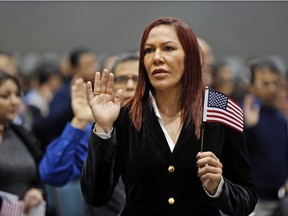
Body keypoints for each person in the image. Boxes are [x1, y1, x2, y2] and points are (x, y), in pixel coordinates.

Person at [80, 17, 257, 216]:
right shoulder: (126, 115)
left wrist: (218, 187)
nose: (157, 58)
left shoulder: (218, 107)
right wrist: (103, 129)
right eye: (148, 50)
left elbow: (246, 199)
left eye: (168, 48)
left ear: (190, 56)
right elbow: (95, 196)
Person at [39, 53, 140, 216]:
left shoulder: (162, 130)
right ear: (109, 86)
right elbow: (51, 173)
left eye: (137, 79)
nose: (129, 85)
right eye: (121, 79)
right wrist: (79, 121)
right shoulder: (96, 132)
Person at [243, 59, 288, 216]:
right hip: (255, 200)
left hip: (279, 198)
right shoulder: (245, 114)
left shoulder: (280, 119)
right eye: (265, 83)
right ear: (252, 85)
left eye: (275, 83)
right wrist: (248, 127)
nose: (271, 88)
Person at [32, 47, 97, 150]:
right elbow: (52, 124)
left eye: (94, 63)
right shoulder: (64, 91)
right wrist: (74, 104)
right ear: (74, 69)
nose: (93, 68)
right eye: (87, 65)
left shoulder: (98, 89)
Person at [0, 70, 45, 215]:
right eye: (5, 96)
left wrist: (36, 191)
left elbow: (39, 176)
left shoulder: (23, 133)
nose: (15, 102)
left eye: (18, 94)